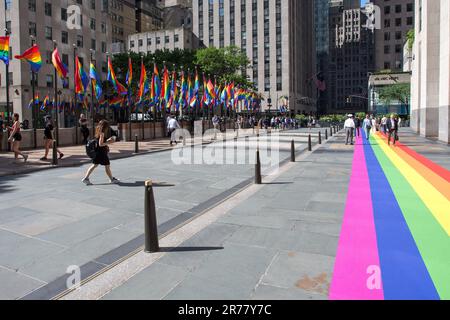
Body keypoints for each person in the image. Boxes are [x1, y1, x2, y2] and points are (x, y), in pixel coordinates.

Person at [82, 120, 119, 186]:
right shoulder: (102, 133)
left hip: (98, 152)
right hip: (101, 152)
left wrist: (107, 140)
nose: (108, 128)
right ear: (105, 127)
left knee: (95, 165)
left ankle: (86, 178)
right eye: (107, 126)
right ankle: (111, 179)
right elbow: (101, 144)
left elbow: (100, 141)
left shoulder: (98, 131)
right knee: (106, 165)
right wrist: (110, 142)